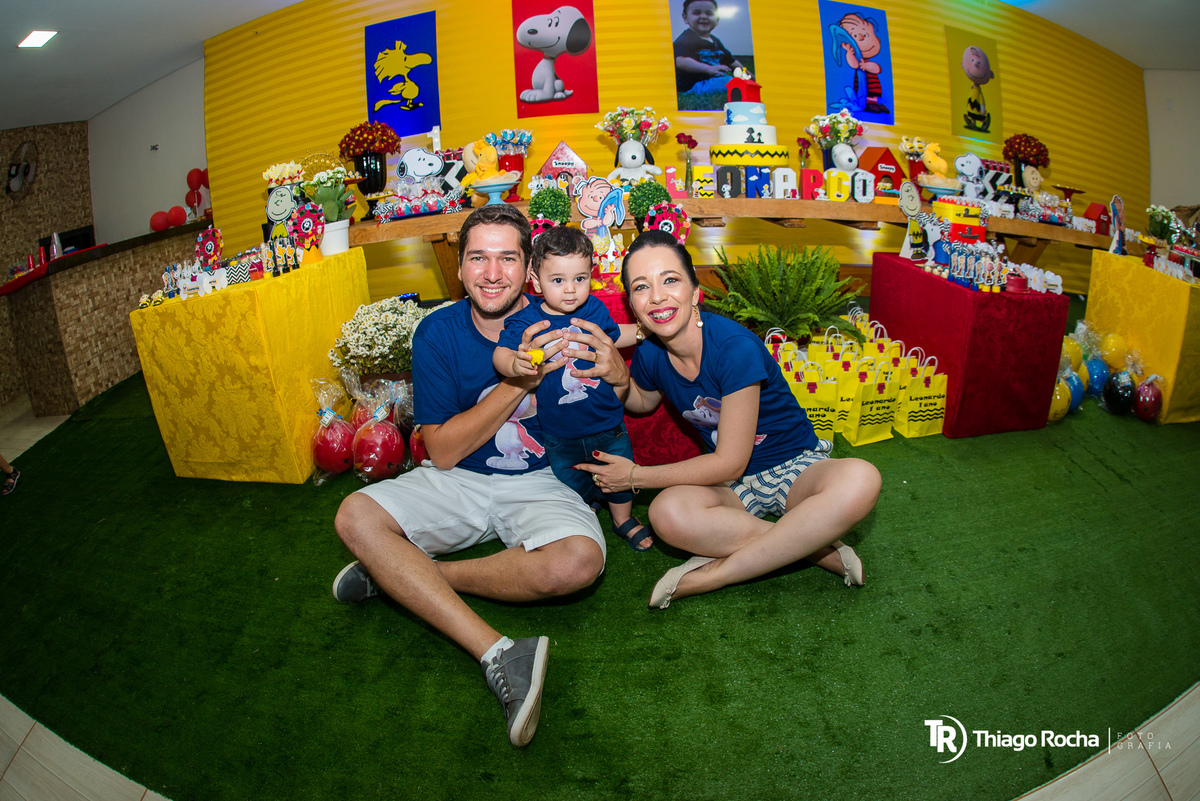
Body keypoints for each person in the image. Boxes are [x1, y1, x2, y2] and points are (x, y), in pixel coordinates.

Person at [331, 204, 608, 748]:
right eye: (478, 257)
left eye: (508, 258)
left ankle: (402, 577)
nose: (492, 273)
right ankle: (498, 651)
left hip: (540, 480)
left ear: (530, 268)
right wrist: (519, 383)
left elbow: (616, 400)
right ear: (458, 268)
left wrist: (616, 372)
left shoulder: (567, 316)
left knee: (579, 561)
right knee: (355, 514)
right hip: (456, 478)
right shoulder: (437, 332)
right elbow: (442, 450)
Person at [566, 231, 882, 608]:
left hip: (793, 469)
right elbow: (644, 402)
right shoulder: (651, 352)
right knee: (666, 514)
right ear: (632, 304)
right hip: (731, 487)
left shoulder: (734, 347)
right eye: (641, 287)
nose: (657, 296)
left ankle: (714, 576)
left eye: (670, 280)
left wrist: (635, 476)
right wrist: (621, 379)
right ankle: (813, 546)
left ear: (695, 291)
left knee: (861, 478)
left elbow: (730, 459)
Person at [493, 225, 651, 551]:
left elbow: (611, 336)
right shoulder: (527, 321)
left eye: (579, 278)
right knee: (569, 480)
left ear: (591, 275)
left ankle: (622, 519)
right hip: (558, 432)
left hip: (606, 421)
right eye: (558, 280)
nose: (570, 289)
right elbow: (501, 353)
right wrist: (515, 363)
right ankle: (585, 506)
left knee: (618, 473)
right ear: (536, 281)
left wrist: (644, 330)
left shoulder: (593, 310)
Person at [673, 0, 743, 96]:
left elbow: (731, 61)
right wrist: (708, 69)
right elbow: (681, 61)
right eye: (697, 13)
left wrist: (748, 75)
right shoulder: (685, 39)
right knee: (728, 82)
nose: (704, 17)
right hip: (693, 85)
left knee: (734, 81)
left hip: (712, 80)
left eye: (709, 13)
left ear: (717, 19)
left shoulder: (716, 41)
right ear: (685, 18)